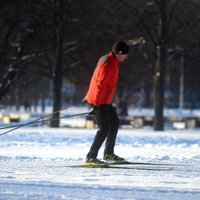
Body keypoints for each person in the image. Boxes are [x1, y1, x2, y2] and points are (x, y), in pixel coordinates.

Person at [83, 40, 129, 163]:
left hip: (104, 100)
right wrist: (96, 104)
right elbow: (99, 84)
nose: (126, 57)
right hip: (99, 101)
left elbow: (96, 79)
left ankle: (108, 153)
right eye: (125, 54)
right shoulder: (108, 64)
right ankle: (91, 157)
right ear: (119, 53)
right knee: (104, 128)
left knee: (114, 123)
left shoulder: (111, 61)